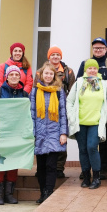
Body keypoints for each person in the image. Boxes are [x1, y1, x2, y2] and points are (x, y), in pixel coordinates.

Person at [67, 59, 107, 189]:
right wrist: (71, 117)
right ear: (85, 70)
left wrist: (106, 117)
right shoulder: (78, 83)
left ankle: (96, 178)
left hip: (96, 122)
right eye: (89, 68)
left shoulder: (104, 84)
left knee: (92, 147)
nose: (92, 70)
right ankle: (86, 177)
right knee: (83, 150)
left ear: (98, 70)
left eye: (94, 68)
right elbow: (70, 101)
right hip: (80, 122)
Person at [0, 64, 28, 205]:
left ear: (20, 77)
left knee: (13, 162)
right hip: (0, 133)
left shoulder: (24, 94)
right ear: (6, 76)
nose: (14, 77)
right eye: (11, 74)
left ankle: (9, 194)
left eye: (16, 75)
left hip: (16, 133)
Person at [76, 38, 107, 178]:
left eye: (101, 48)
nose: (98, 50)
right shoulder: (85, 63)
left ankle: (103, 169)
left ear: (105, 49)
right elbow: (79, 83)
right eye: (96, 48)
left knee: (103, 142)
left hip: (102, 110)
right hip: (85, 113)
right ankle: (86, 170)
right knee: (86, 146)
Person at [30, 63, 68, 204]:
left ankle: (49, 192)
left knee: (51, 165)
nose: (48, 76)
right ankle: (42, 192)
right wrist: (32, 134)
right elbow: (32, 114)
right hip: (39, 133)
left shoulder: (59, 91)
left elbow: (63, 114)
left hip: (54, 133)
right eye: (46, 73)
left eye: (51, 74)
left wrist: (63, 133)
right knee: (41, 167)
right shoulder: (34, 92)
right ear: (41, 74)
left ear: (54, 76)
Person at [45, 46, 75, 178]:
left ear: (61, 57)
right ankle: (44, 167)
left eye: (58, 54)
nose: (55, 57)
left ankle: (58, 168)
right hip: (45, 110)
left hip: (62, 110)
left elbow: (72, 91)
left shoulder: (68, 72)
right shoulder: (42, 71)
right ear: (49, 57)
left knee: (61, 138)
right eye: (53, 55)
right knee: (44, 137)